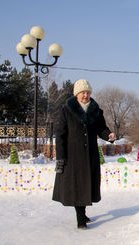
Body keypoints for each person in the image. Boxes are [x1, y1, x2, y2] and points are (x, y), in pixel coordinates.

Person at [52, 79, 116, 229]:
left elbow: (101, 128)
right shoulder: (67, 110)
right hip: (73, 156)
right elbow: (60, 134)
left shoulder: (95, 110)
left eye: (87, 92)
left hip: (90, 154)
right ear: (76, 94)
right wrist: (61, 157)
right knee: (77, 186)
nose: (85, 95)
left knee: (86, 185)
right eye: (82, 93)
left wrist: (109, 136)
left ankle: (83, 213)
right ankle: (80, 218)